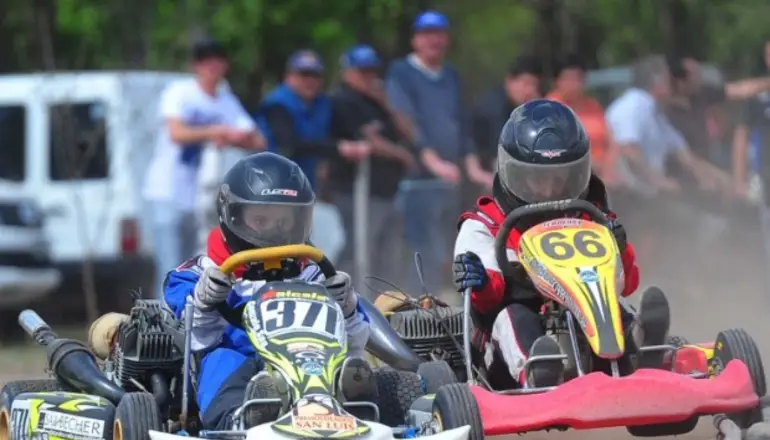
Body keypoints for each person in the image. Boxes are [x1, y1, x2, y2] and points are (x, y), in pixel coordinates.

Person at [452, 99, 670, 388]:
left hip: (584, 327)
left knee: (612, 303)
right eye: (537, 180)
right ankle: (538, 370)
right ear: (513, 174)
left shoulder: (590, 216)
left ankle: (642, 346)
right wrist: (478, 280)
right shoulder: (484, 224)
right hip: (503, 358)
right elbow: (487, 300)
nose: (549, 191)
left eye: (559, 179)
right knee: (513, 316)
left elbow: (627, 284)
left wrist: (620, 250)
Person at [163, 152, 374, 429]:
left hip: (306, 359)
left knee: (338, 363)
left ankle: (357, 411)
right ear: (232, 216)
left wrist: (346, 307)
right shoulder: (200, 272)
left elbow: (356, 341)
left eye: (283, 223)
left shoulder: (313, 275)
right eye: (261, 221)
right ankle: (240, 420)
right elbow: (194, 338)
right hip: (239, 358)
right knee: (224, 361)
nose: (274, 233)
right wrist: (204, 301)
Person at [143, 37, 265, 296]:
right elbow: (176, 132)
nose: (211, 68)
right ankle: (161, 319)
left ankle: (186, 318)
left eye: (216, 61)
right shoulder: (180, 92)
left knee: (192, 269)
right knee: (169, 269)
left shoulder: (225, 100)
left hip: (200, 199)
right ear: (195, 66)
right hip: (167, 192)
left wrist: (233, 137)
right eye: (205, 62)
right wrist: (216, 131)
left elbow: (257, 140)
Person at [385, 10, 493, 293]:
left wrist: (472, 165)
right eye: (427, 34)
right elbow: (404, 118)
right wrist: (432, 160)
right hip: (416, 180)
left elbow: (462, 123)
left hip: (450, 181)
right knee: (420, 246)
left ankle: (442, 300)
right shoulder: (402, 73)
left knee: (449, 246)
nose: (434, 40)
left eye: (439, 34)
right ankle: (418, 302)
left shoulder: (451, 76)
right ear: (415, 40)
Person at [330, 44, 414, 290]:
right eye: (362, 71)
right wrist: (400, 154)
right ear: (348, 72)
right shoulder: (343, 100)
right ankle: (348, 297)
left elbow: (409, 133)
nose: (369, 77)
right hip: (357, 192)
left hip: (387, 191)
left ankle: (383, 298)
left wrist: (386, 103)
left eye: (372, 71)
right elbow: (369, 140)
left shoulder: (378, 102)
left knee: (388, 252)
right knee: (358, 249)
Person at [254, 50, 349, 261]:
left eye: (315, 75)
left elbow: (339, 131)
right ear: (289, 76)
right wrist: (336, 149)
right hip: (271, 191)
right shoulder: (277, 104)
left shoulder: (321, 104)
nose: (310, 81)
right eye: (303, 74)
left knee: (324, 239)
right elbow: (288, 144)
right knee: (276, 249)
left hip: (304, 191)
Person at [605, 55, 731, 196]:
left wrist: (714, 175)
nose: (674, 84)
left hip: (647, 195)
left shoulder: (655, 114)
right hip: (625, 195)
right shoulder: (631, 106)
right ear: (656, 82)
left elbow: (682, 152)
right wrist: (659, 181)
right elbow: (629, 151)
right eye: (670, 79)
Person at [547, 54, 618, 185]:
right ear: (557, 81)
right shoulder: (549, 109)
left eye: (578, 78)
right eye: (569, 79)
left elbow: (611, 140)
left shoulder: (593, 105)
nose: (574, 85)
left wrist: (609, 169)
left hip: (605, 172)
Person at [472, 55, 542, 171]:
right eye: (526, 83)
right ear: (509, 80)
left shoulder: (524, 108)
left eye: (535, 85)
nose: (530, 91)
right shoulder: (492, 106)